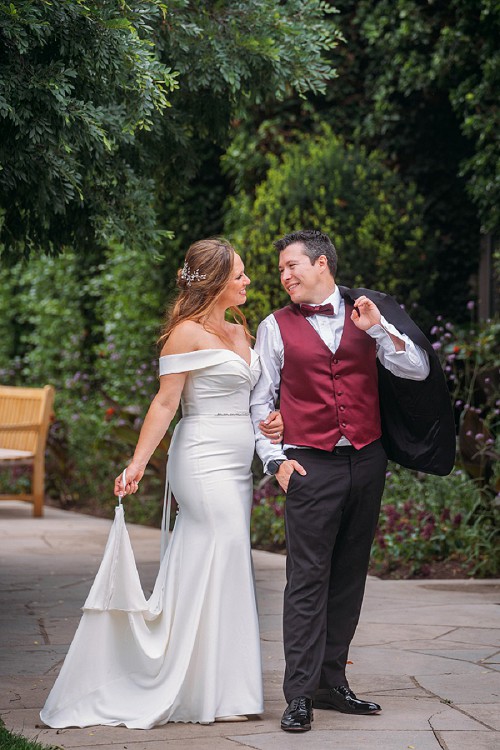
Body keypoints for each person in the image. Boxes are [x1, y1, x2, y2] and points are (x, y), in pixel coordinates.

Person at [40, 238, 282, 728]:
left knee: (214, 562)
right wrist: (136, 464)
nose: (248, 281)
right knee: (228, 549)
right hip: (200, 460)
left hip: (238, 466)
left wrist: (272, 424)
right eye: (238, 274)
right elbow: (165, 404)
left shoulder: (240, 329)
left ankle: (213, 685)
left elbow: (255, 399)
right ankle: (211, 688)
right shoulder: (185, 335)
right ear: (214, 282)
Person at [250, 229, 455, 732]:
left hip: (366, 460)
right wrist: (275, 462)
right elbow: (259, 401)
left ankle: (330, 683)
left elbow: (416, 369)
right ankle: (298, 694)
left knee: (349, 576)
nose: (285, 276)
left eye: (292, 265)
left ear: (322, 264)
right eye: (281, 270)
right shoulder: (274, 327)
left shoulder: (370, 313)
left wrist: (381, 330)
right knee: (305, 581)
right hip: (309, 465)